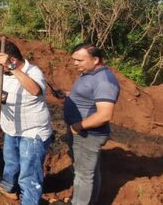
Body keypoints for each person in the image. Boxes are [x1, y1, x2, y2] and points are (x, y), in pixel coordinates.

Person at [0, 40, 52, 204]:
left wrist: (12, 69)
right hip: (10, 129)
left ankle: (29, 200)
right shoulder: (1, 71)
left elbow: (35, 90)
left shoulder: (34, 72)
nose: (0, 67)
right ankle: (9, 189)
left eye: (3, 63)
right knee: (11, 163)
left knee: (29, 174)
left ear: (12, 60)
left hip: (32, 132)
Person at [62, 43, 119, 205]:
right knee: (89, 171)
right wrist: (69, 95)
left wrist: (77, 127)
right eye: (74, 60)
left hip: (88, 135)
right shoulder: (90, 73)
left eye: (79, 60)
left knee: (83, 175)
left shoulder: (104, 81)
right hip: (82, 133)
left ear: (95, 59)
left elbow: (105, 114)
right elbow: (89, 96)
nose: (75, 63)